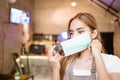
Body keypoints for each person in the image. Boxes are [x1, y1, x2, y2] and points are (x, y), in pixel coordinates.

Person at [48, 13, 120, 80]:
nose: (74, 37)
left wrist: (97, 55)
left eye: (80, 31)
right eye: (71, 33)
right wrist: (55, 68)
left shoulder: (112, 61)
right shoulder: (66, 61)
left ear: (93, 34)